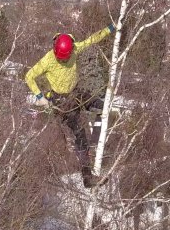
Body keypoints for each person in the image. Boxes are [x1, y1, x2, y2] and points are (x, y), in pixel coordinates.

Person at [25, 24, 115, 188]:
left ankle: (97, 134)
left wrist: (110, 29)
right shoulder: (48, 60)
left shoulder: (74, 48)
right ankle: (88, 179)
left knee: (100, 104)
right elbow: (29, 76)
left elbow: (91, 40)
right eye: (61, 59)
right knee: (80, 136)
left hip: (76, 93)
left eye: (65, 58)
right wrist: (40, 97)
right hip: (61, 102)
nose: (63, 60)